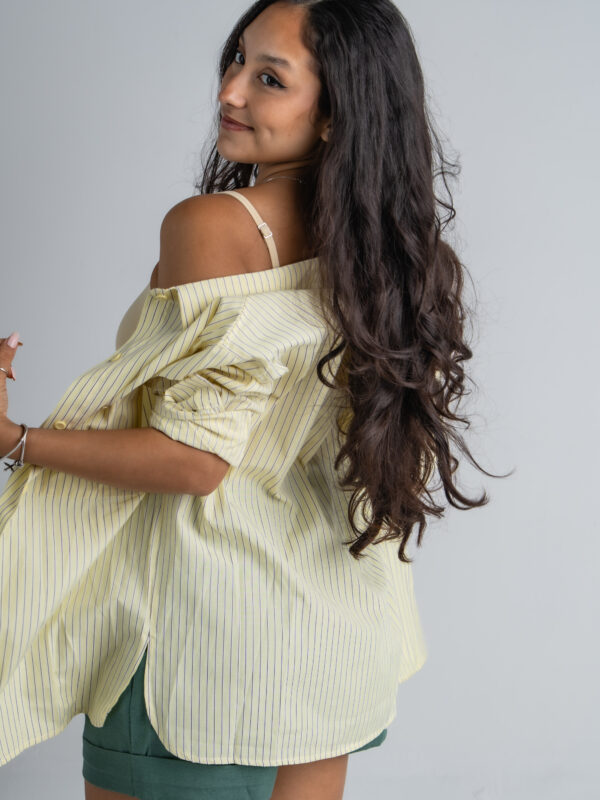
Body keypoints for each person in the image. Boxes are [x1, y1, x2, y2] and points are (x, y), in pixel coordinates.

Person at [0, 1, 491, 799]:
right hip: (330, 626)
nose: (230, 91)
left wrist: (15, 438)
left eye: (269, 78)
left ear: (333, 114)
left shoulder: (215, 226)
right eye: (237, 59)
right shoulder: (396, 251)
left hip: (202, 634)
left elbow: (194, 460)